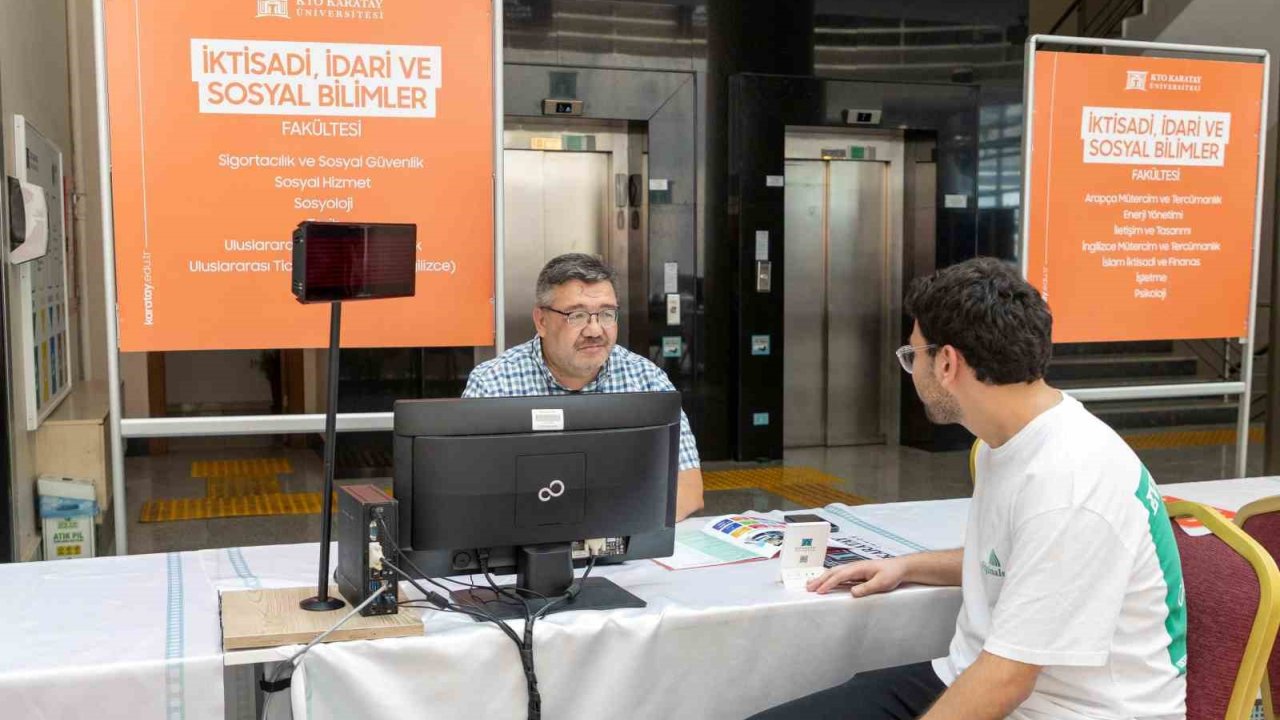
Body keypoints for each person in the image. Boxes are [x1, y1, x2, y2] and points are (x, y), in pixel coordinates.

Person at [749, 257, 1186, 720]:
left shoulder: (1070, 480)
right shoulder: (1007, 441)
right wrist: (907, 566)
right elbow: (1023, 563)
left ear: (947, 362)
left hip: (1066, 708)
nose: (911, 369)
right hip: (972, 674)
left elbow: (1008, 678)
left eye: (912, 355)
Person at [464, 253, 705, 521]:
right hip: (527, 548)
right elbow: (469, 494)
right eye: (577, 315)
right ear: (541, 321)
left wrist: (604, 532)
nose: (594, 330)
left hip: (622, 543)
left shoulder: (646, 380)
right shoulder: (494, 383)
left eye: (606, 314)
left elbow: (688, 490)